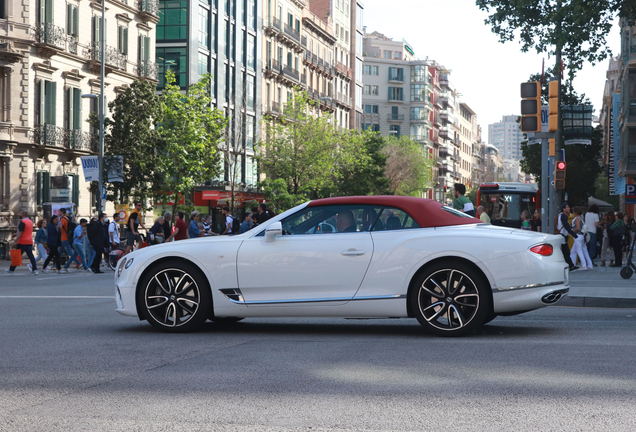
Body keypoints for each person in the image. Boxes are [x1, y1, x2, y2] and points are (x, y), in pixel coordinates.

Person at [5, 210, 38, 275]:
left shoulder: (22, 222)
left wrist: (15, 240)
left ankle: (11, 269)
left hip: (22, 242)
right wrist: (16, 234)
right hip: (29, 241)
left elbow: (21, 232)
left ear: (22, 214)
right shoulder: (30, 221)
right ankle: (35, 269)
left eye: (20, 213)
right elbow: (26, 231)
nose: (19, 214)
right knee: (31, 256)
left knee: (17, 256)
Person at [557, 203, 579, 271]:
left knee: (566, 251)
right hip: (562, 236)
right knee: (565, 252)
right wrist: (574, 234)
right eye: (567, 207)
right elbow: (566, 226)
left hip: (562, 236)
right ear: (564, 209)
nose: (569, 208)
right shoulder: (563, 216)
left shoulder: (560, 215)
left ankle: (571, 265)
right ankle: (570, 265)